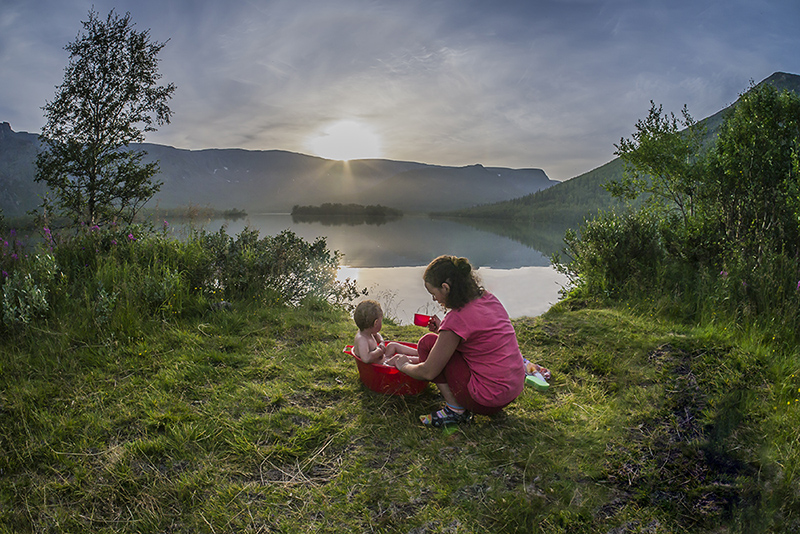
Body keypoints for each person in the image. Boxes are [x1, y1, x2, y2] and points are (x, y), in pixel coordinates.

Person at [391, 255, 526, 427]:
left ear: (445, 288)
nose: (434, 299)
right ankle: (461, 405)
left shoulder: (456, 319)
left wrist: (402, 365)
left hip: (486, 400)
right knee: (438, 343)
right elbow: (478, 336)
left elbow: (428, 372)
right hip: (511, 390)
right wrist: (444, 329)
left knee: (427, 343)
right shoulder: (488, 298)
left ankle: (455, 411)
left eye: (434, 293)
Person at [353, 299, 419, 364]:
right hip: (381, 366)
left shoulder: (367, 331)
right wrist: (378, 351)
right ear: (376, 323)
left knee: (392, 345)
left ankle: (419, 353)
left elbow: (377, 335)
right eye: (381, 321)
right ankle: (422, 360)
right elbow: (366, 359)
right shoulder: (362, 339)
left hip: (383, 359)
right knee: (397, 358)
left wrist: (381, 342)